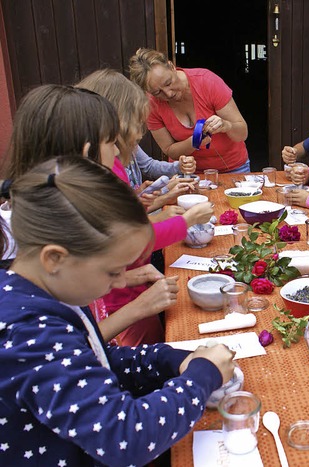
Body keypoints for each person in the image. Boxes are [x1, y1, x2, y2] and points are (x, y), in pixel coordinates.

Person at [0, 156, 235, 466]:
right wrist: (202, 376)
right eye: (112, 272)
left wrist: (172, 360)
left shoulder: (44, 295)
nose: (121, 280)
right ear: (54, 258)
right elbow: (125, 437)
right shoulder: (28, 330)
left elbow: (94, 358)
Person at [2, 84, 213, 345]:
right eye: (111, 141)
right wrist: (135, 304)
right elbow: (77, 346)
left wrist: (118, 279)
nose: (116, 151)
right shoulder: (31, 283)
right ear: (83, 151)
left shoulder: (46, 212)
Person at [76, 69, 196, 217]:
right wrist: (165, 199)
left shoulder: (108, 150)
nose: (139, 134)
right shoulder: (102, 165)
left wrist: (175, 171)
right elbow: (125, 224)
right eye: (134, 123)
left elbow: (122, 212)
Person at [129, 47, 250, 173]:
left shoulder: (206, 81)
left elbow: (242, 133)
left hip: (233, 167)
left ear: (171, 66)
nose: (168, 94)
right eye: (157, 92)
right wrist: (194, 141)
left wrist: (226, 125)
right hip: (188, 173)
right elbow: (169, 150)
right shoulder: (151, 104)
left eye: (168, 83)